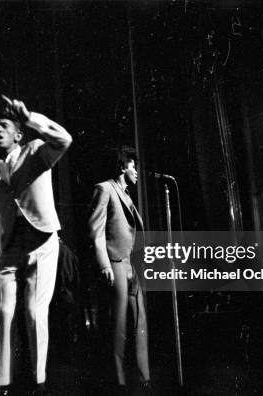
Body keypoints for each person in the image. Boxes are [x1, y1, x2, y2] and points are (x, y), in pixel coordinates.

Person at [0, 96, 71, 395]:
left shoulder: (36, 151)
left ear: (18, 134)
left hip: (42, 242)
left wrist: (29, 117)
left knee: (33, 311)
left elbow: (64, 139)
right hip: (11, 246)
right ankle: (2, 383)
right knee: (3, 312)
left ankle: (38, 381)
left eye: (3, 126)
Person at [87, 148, 151, 394]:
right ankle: (119, 380)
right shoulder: (105, 189)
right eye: (133, 166)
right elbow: (96, 231)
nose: (137, 172)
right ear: (123, 167)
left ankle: (144, 376)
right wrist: (104, 264)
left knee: (140, 319)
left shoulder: (126, 195)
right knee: (120, 323)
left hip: (131, 264)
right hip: (115, 261)